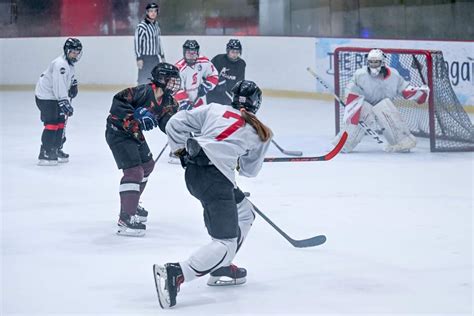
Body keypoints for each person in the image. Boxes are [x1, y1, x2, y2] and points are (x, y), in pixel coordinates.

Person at [153, 80, 273, 309]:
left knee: (245, 212)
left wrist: (179, 150)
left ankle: (220, 267)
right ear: (257, 104)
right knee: (226, 241)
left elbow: (174, 123)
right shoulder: (261, 132)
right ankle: (176, 273)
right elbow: (249, 171)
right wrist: (236, 158)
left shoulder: (214, 109)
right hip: (216, 181)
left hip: (195, 172)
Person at [105, 63, 180, 237]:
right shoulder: (142, 92)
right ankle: (126, 217)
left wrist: (183, 129)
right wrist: (134, 117)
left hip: (134, 133)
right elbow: (118, 101)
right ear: (161, 79)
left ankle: (132, 201)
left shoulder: (169, 101)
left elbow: (167, 122)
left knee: (147, 166)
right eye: (171, 80)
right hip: (118, 131)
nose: (175, 84)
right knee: (134, 172)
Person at [334, 48, 429, 153]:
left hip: (384, 110)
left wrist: (419, 94)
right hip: (365, 107)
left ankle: (402, 141)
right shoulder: (360, 74)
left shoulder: (394, 75)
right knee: (359, 108)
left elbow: (405, 89)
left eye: (376, 62)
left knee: (385, 105)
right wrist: (349, 98)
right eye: (371, 62)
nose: (373, 64)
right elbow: (350, 89)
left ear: (382, 62)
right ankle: (345, 142)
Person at [35, 37, 82, 166]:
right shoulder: (60, 64)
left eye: (77, 52)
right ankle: (45, 152)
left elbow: (69, 78)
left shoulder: (70, 64)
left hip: (55, 96)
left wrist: (73, 84)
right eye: (73, 52)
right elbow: (58, 84)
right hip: (46, 96)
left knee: (61, 122)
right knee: (52, 123)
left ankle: (55, 148)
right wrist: (63, 101)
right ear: (66, 51)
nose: (75, 55)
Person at [174, 39, 218, 110]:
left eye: (194, 53)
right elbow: (176, 88)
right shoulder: (179, 68)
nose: (191, 56)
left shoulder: (203, 62)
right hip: (183, 101)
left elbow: (213, 75)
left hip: (199, 99)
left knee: (202, 118)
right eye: (189, 53)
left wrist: (208, 85)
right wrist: (184, 101)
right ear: (184, 53)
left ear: (197, 52)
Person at [134, 2, 166, 85]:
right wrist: (139, 58)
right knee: (143, 79)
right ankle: (141, 97)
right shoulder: (142, 26)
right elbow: (137, 42)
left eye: (155, 11)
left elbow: (158, 41)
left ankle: (153, 97)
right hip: (145, 58)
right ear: (147, 12)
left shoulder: (156, 25)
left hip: (155, 58)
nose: (153, 13)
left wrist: (162, 56)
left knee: (156, 78)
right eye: (151, 11)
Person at [207, 39, 246, 105]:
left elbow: (240, 82)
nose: (235, 54)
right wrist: (218, 81)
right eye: (233, 52)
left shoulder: (241, 64)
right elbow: (208, 73)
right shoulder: (218, 59)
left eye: (237, 52)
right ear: (228, 51)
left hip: (228, 97)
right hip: (213, 94)